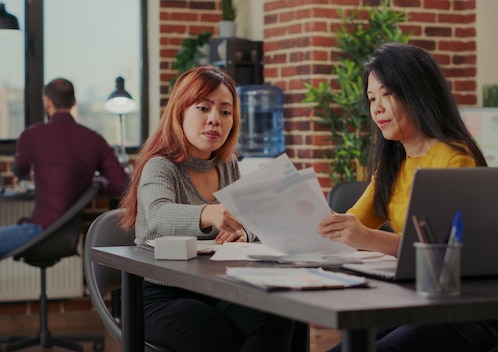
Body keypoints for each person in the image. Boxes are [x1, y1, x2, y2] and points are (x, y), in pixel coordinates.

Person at [317, 43, 498, 351]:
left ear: (417, 93)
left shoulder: (454, 158)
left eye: (387, 94)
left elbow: (442, 254)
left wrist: (368, 238)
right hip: (417, 302)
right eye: (371, 98)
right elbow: (352, 222)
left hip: (468, 308)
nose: (377, 108)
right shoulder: (394, 163)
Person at [118, 64, 295, 351]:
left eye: (225, 112)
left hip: (216, 286)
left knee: (281, 314)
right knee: (216, 332)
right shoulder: (160, 166)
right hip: (160, 293)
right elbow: (157, 218)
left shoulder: (228, 165)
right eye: (203, 108)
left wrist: (243, 234)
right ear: (180, 112)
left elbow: (246, 220)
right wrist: (207, 213)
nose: (215, 119)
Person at [0, 78, 128, 256]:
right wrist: (96, 182)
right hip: (68, 236)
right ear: (74, 103)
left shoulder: (32, 135)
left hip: (39, 230)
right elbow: (123, 184)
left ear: (47, 102)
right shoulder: (94, 139)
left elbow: (18, 169)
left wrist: (22, 175)